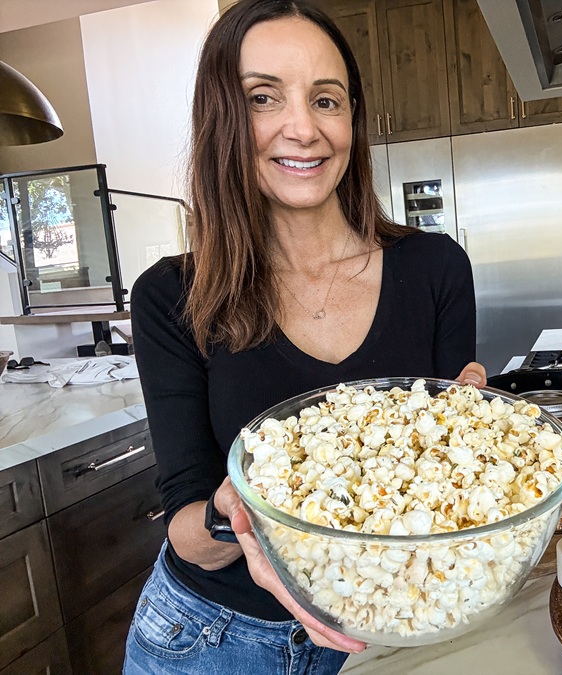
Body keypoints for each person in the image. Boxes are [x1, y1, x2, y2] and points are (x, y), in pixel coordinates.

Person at [123, 1, 484, 672]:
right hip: (212, 638)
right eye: (264, 97)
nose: (303, 128)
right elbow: (185, 524)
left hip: (387, 625)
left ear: (353, 119)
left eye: (326, 99)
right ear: (223, 118)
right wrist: (235, 510)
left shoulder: (436, 269)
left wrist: (477, 440)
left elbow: (445, 488)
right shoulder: (170, 297)